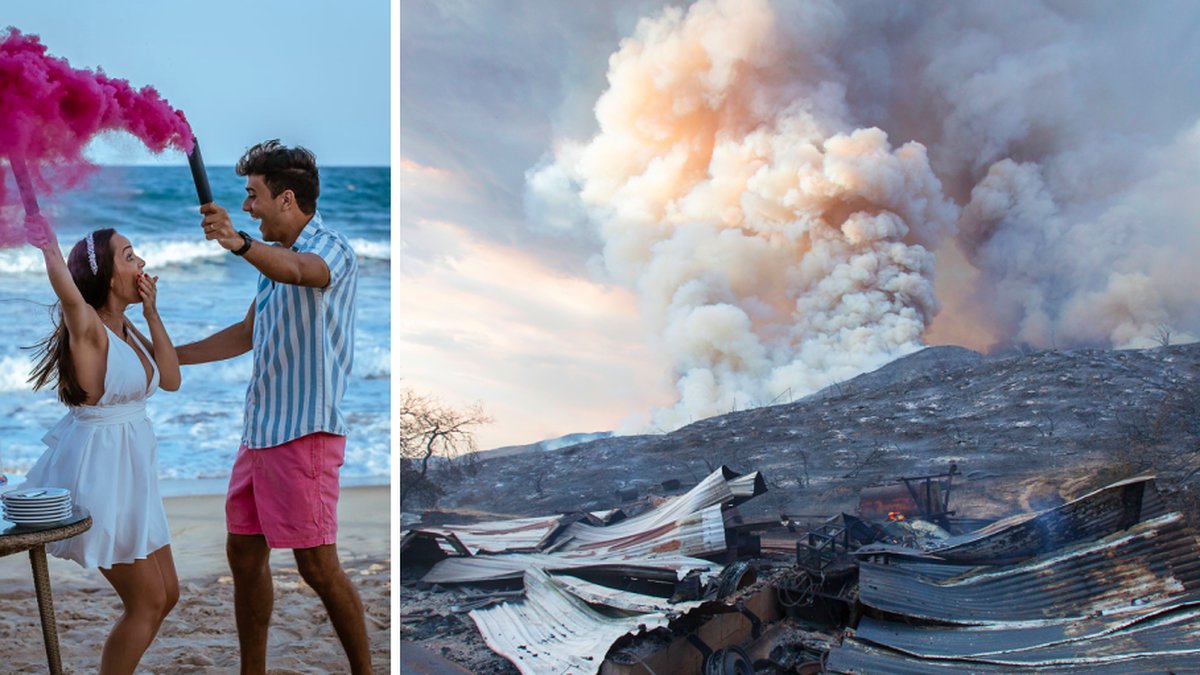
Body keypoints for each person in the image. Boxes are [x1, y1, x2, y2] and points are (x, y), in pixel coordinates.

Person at [175, 140, 370, 674]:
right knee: (242, 555)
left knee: (317, 565)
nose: (247, 206)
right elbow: (246, 332)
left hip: (304, 434)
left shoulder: (332, 248)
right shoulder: (269, 261)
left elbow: (302, 272)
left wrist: (237, 244)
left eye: (253, 195)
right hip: (259, 435)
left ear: (286, 198)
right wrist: (166, 355)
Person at [23, 216, 181, 675]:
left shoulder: (129, 328)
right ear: (108, 277)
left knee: (168, 594)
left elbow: (170, 379)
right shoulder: (89, 327)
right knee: (147, 602)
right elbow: (65, 290)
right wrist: (50, 248)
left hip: (134, 475)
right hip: (100, 473)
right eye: (130, 256)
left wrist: (152, 314)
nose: (143, 263)